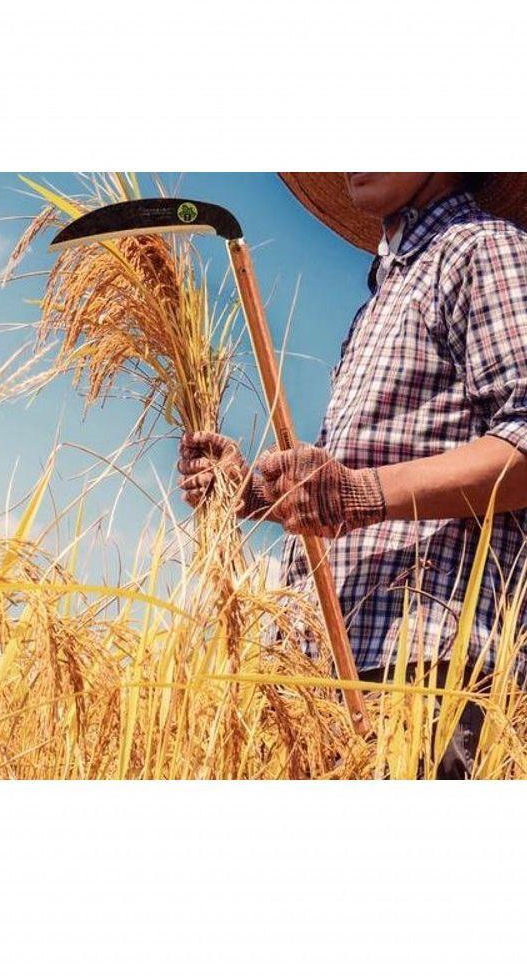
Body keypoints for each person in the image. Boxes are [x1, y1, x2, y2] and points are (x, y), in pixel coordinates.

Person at [177, 173, 527, 777]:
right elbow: (353, 480)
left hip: (431, 676)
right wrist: (255, 493)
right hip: (334, 680)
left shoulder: (482, 250)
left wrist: (361, 493)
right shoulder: (381, 300)